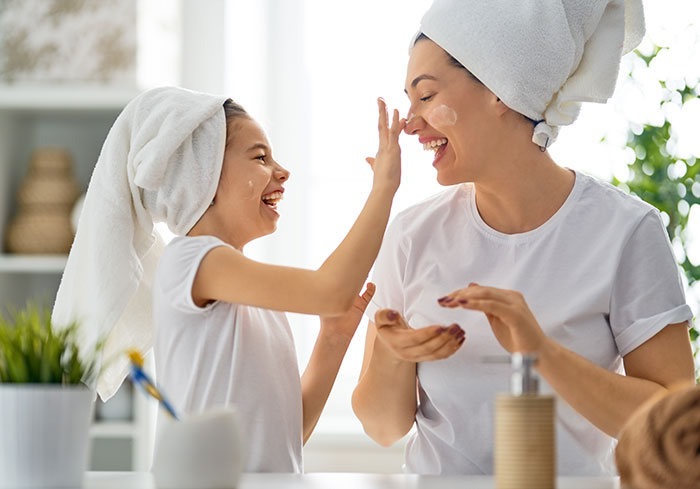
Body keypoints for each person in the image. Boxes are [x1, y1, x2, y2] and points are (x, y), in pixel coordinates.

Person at [352, 0, 696, 477]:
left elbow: (676, 425)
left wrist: (542, 353)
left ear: (500, 89)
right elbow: (382, 427)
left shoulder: (626, 231)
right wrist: (393, 354)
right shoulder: (412, 235)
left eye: (426, 97)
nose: (409, 123)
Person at [52, 86, 417, 473]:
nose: (283, 171)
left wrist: (332, 339)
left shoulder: (244, 289)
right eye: (260, 157)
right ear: (201, 175)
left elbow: (287, 434)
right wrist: (383, 189)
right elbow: (331, 290)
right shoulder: (190, 262)